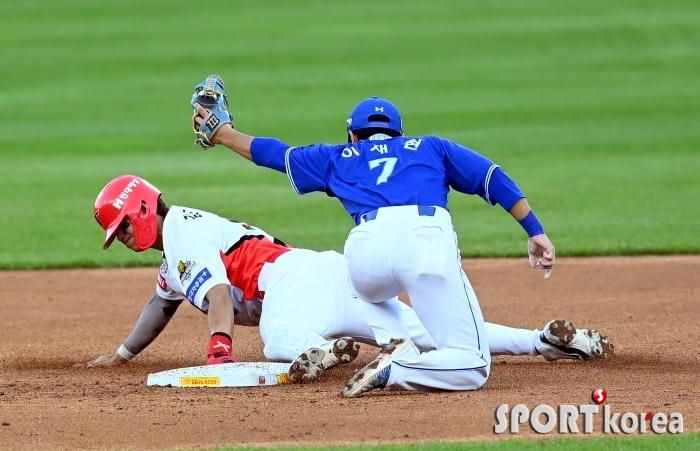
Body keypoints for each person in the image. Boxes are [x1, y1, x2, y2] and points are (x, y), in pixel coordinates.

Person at [191, 77, 559, 397]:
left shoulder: (339, 155)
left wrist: (223, 134)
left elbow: (274, 153)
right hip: (425, 240)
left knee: (370, 293)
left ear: (353, 134)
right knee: (472, 365)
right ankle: (398, 368)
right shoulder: (432, 146)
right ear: (400, 133)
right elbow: (491, 178)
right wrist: (535, 231)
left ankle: (394, 342)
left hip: (364, 254)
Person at [87, 175, 613, 381]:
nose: (124, 239)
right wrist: (125, 354)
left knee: (276, 340)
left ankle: (323, 348)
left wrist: (220, 352)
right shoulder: (178, 245)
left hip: (293, 286)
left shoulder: (178, 233)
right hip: (327, 274)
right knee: (436, 335)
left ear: (141, 208)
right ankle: (542, 340)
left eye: (124, 227)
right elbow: (161, 304)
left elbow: (220, 292)